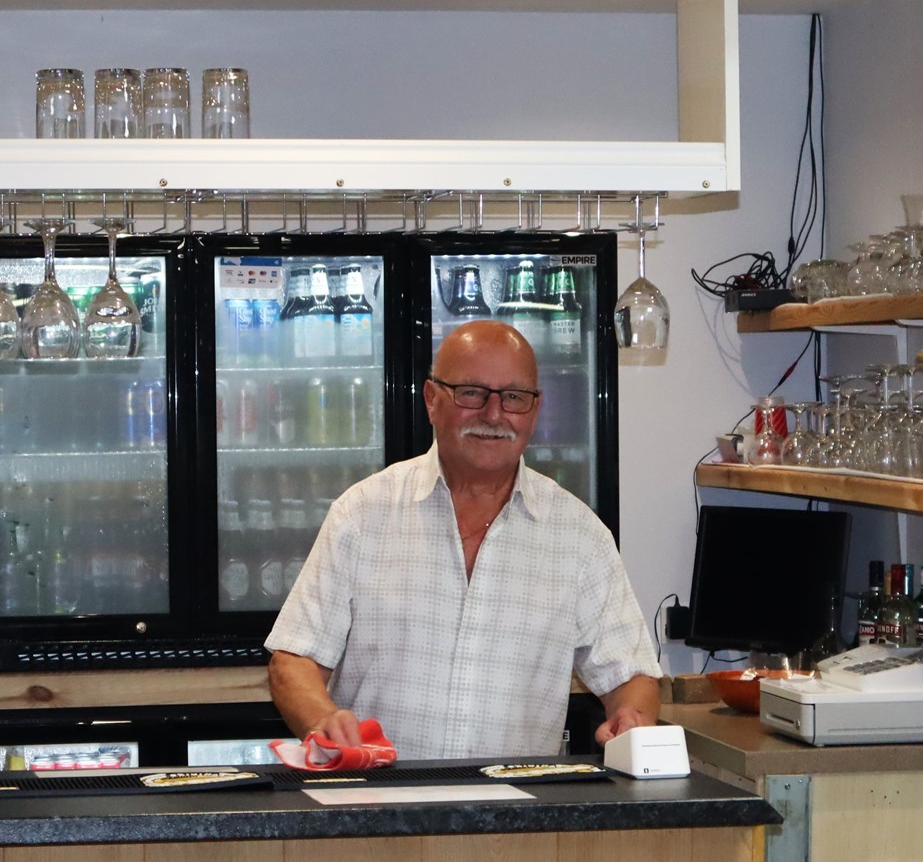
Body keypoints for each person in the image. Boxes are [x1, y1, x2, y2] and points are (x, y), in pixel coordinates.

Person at [266, 319, 660, 760]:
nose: (494, 415)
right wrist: (322, 720)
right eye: (471, 393)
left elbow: (633, 675)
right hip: (374, 805)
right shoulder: (361, 514)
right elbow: (293, 661)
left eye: (513, 397)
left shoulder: (581, 536)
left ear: (534, 409)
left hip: (516, 817)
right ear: (432, 400)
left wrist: (632, 716)